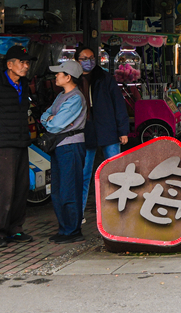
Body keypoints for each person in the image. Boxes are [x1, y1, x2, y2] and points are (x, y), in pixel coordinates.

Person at [0, 45, 37, 249]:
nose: (26, 66)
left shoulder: (24, 84)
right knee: (4, 190)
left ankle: (15, 229)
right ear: (10, 65)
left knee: (21, 188)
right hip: (2, 143)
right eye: (22, 62)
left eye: (27, 63)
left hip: (21, 141)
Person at [76, 47, 130, 217]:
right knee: (83, 174)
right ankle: (78, 214)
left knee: (115, 172)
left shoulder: (105, 77)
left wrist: (123, 130)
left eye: (91, 57)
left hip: (108, 129)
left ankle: (118, 212)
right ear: (77, 60)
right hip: (85, 130)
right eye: (84, 58)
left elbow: (118, 104)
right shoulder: (73, 78)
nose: (89, 61)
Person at [40, 60, 87, 244]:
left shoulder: (75, 98)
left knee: (69, 189)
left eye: (59, 73)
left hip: (71, 146)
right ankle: (65, 229)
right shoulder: (61, 96)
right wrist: (51, 119)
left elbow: (56, 124)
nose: (56, 76)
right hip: (60, 146)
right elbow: (46, 116)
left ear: (68, 77)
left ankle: (73, 230)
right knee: (58, 190)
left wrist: (52, 119)